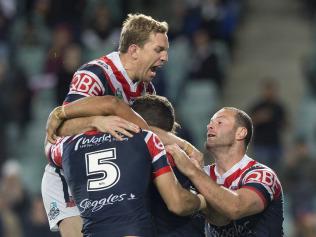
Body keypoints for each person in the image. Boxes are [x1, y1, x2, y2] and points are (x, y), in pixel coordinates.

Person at [42, 13, 170, 237]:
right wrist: (95, 121)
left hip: (109, 174)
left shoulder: (146, 89)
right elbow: (58, 130)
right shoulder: (95, 74)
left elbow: (145, 135)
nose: (165, 57)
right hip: (68, 176)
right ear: (134, 50)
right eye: (158, 50)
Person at [46, 95, 206, 236]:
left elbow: (50, 140)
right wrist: (203, 201)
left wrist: (90, 121)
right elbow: (178, 203)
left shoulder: (67, 146)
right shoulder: (148, 141)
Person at [167, 107, 284, 236]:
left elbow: (236, 207)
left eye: (219, 122)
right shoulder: (201, 174)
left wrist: (192, 171)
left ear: (241, 133)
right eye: (210, 122)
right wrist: (184, 145)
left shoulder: (263, 175)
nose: (209, 126)